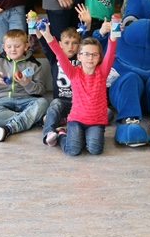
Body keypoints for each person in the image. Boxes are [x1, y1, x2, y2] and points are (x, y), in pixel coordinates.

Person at [44, 27, 117, 156]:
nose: (90, 58)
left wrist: (114, 35)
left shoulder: (102, 72)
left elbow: (110, 53)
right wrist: (47, 35)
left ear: (100, 57)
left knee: (95, 149)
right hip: (76, 119)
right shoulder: (73, 72)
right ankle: (61, 134)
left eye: (95, 54)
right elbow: (59, 55)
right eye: (86, 54)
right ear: (79, 56)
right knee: (73, 150)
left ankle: (80, 136)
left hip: (96, 121)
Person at [0, 29, 48, 142]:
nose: (13, 50)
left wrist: (27, 84)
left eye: (17, 46)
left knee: (43, 103)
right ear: (4, 47)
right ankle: (33, 120)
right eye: (9, 47)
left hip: (26, 100)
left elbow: (41, 90)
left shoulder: (34, 65)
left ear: (26, 46)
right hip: (1, 100)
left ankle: (11, 127)